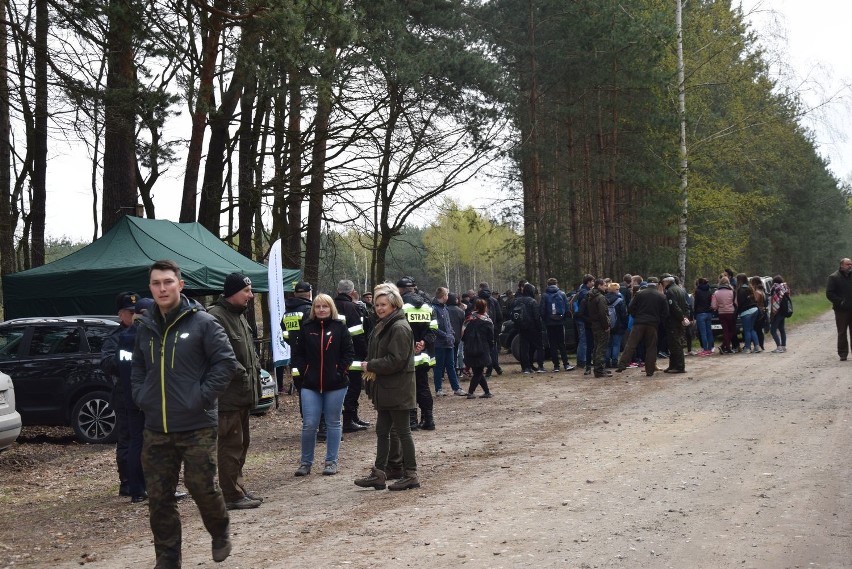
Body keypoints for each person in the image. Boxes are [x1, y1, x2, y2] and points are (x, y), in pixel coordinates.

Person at [131, 260, 237, 567]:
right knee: (159, 497)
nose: (162, 288)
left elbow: (225, 363)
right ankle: (167, 558)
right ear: (150, 288)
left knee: (201, 487)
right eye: (156, 283)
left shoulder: (203, 323)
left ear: (180, 285)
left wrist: (201, 397)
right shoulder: (145, 326)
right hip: (156, 425)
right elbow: (138, 366)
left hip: (197, 424)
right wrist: (141, 395)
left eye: (167, 282)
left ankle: (219, 530)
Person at [354, 283, 420, 491]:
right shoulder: (384, 324)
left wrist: (370, 365)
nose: (379, 308)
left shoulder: (399, 327)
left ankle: (411, 474)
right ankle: (379, 472)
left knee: (403, 432)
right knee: (382, 431)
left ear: (394, 304)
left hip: (397, 388)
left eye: (383, 304)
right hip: (386, 388)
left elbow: (396, 360)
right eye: (377, 305)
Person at [207, 272, 263, 510]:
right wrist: (244, 374)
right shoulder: (215, 317)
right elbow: (222, 356)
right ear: (233, 292)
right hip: (227, 396)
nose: (251, 296)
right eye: (247, 291)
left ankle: (237, 489)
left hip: (242, 395)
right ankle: (231, 494)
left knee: (241, 444)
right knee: (230, 446)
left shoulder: (239, 316)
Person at [291, 293, 355, 477]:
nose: (321, 310)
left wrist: (339, 372)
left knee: (333, 422)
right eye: (318, 307)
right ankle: (305, 462)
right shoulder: (306, 328)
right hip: (310, 384)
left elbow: (348, 353)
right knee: (309, 424)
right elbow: (298, 353)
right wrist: (304, 371)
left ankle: (331, 461)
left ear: (331, 308)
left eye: (324, 306)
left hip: (336, 384)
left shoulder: (340, 328)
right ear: (313, 309)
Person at [100, 292, 141, 501]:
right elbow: (107, 363)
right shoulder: (114, 338)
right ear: (120, 314)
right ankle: (127, 482)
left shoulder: (145, 333)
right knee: (127, 439)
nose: (134, 316)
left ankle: (143, 480)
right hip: (124, 395)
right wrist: (124, 361)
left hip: (144, 395)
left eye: (137, 312)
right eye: (130, 312)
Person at [397, 276, 437, 431]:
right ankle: (428, 420)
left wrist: (413, 344)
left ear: (400, 290)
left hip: (408, 354)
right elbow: (433, 329)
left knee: (408, 388)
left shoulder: (400, 306)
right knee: (423, 386)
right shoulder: (428, 306)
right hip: (424, 353)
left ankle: (411, 421)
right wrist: (423, 342)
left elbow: (399, 331)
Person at [334, 280, 372, 432]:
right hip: (353, 355)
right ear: (352, 292)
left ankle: (353, 417)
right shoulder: (351, 307)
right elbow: (358, 334)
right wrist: (365, 354)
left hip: (335, 355)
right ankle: (349, 420)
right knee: (354, 387)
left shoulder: (330, 306)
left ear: (338, 291)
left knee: (344, 388)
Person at [616, 277, 669, 376]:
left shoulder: (639, 294)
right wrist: (658, 320)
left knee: (631, 344)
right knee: (651, 347)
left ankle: (622, 365)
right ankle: (649, 370)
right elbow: (665, 313)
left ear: (647, 283)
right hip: (653, 324)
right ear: (657, 284)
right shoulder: (661, 296)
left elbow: (631, 307)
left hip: (639, 323)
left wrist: (636, 316)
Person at [431, 287, 466, 396]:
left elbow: (448, 324)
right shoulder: (434, 309)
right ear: (443, 296)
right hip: (439, 344)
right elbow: (433, 328)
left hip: (449, 343)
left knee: (451, 365)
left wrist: (451, 333)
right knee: (438, 367)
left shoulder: (445, 308)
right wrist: (445, 335)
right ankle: (438, 389)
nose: (448, 296)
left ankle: (456, 388)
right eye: (446, 294)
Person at [540, 278, 576, 371]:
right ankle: (566, 364)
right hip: (560, 322)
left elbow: (542, 310)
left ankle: (556, 366)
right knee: (561, 344)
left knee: (552, 344)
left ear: (548, 284)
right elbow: (567, 308)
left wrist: (545, 320)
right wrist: (564, 318)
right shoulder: (562, 294)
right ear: (556, 284)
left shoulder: (544, 295)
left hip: (549, 323)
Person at [462, 298, 495, 397]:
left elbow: (463, 335)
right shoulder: (488, 321)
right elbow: (491, 338)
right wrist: (490, 348)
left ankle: (487, 392)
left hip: (469, 349)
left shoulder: (468, 319)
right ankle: (471, 392)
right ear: (485, 308)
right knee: (478, 372)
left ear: (475, 307)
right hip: (482, 349)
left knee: (477, 371)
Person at [513, 282, 545, 374]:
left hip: (522, 327)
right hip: (533, 327)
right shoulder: (532, 301)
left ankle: (526, 367)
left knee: (524, 347)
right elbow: (536, 316)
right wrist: (539, 328)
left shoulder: (517, 300)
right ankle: (540, 366)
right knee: (539, 347)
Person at [662, 274, 690, 372]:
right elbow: (687, 305)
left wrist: (682, 318)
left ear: (667, 282)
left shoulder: (670, 291)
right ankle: (672, 365)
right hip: (679, 320)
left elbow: (674, 307)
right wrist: (685, 317)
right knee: (673, 343)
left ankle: (679, 366)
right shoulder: (680, 289)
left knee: (675, 344)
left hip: (674, 321)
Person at [826, 257, 852, 361]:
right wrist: (840, 302)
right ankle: (843, 353)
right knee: (842, 332)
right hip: (841, 310)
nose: (850, 266)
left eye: (851, 264)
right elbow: (829, 293)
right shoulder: (834, 277)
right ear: (841, 265)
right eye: (848, 264)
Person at [477, 282, 503, 377]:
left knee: (484, 349)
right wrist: (497, 329)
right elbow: (500, 317)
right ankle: (495, 366)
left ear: (480, 288)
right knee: (493, 348)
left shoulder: (477, 300)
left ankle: (489, 367)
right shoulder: (494, 300)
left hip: (480, 329)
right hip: (492, 328)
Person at [586, 278, 611, 378]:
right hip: (601, 326)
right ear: (599, 286)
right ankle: (599, 370)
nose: (606, 287)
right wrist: (606, 326)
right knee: (601, 348)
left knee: (597, 347)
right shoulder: (600, 298)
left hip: (595, 325)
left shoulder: (591, 296)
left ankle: (599, 368)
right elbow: (602, 313)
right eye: (604, 285)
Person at [735, 273, 761, 354]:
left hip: (746, 312)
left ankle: (747, 348)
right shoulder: (750, 288)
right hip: (755, 310)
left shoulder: (740, 290)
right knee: (752, 329)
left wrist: (737, 312)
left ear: (739, 280)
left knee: (747, 330)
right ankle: (757, 346)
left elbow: (740, 303)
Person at [712, 276, 736, 354]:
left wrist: (718, 307)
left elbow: (714, 306)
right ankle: (725, 346)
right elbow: (735, 303)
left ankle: (725, 347)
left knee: (725, 331)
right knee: (732, 330)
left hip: (721, 313)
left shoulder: (716, 292)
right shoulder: (732, 291)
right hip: (730, 312)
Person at [605, 282, 628, 368]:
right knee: (616, 344)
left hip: (606, 325)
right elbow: (623, 314)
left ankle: (607, 361)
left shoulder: (604, 299)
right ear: (616, 290)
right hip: (618, 326)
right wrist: (625, 325)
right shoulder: (620, 300)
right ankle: (615, 361)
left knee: (608, 344)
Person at [768, 275, 791, 353]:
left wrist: (772, 312)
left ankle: (779, 347)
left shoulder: (775, 288)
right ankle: (783, 346)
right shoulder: (785, 288)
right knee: (781, 329)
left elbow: (772, 301)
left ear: (774, 282)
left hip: (777, 311)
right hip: (783, 311)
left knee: (773, 330)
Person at [693, 278, 714, 356]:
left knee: (703, 333)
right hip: (708, 313)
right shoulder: (709, 291)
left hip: (700, 313)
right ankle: (710, 348)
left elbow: (696, 303)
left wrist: (694, 314)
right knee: (709, 332)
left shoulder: (698, 291)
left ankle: (705, 349)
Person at [749, 276, 768, 351]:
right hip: (762, 311)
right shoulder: (762, 290)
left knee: (756, 329)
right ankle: (761, 345)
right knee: (759, 330)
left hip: (758, 312)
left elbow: (756, 300)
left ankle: (758, 345)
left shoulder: (757, 292)